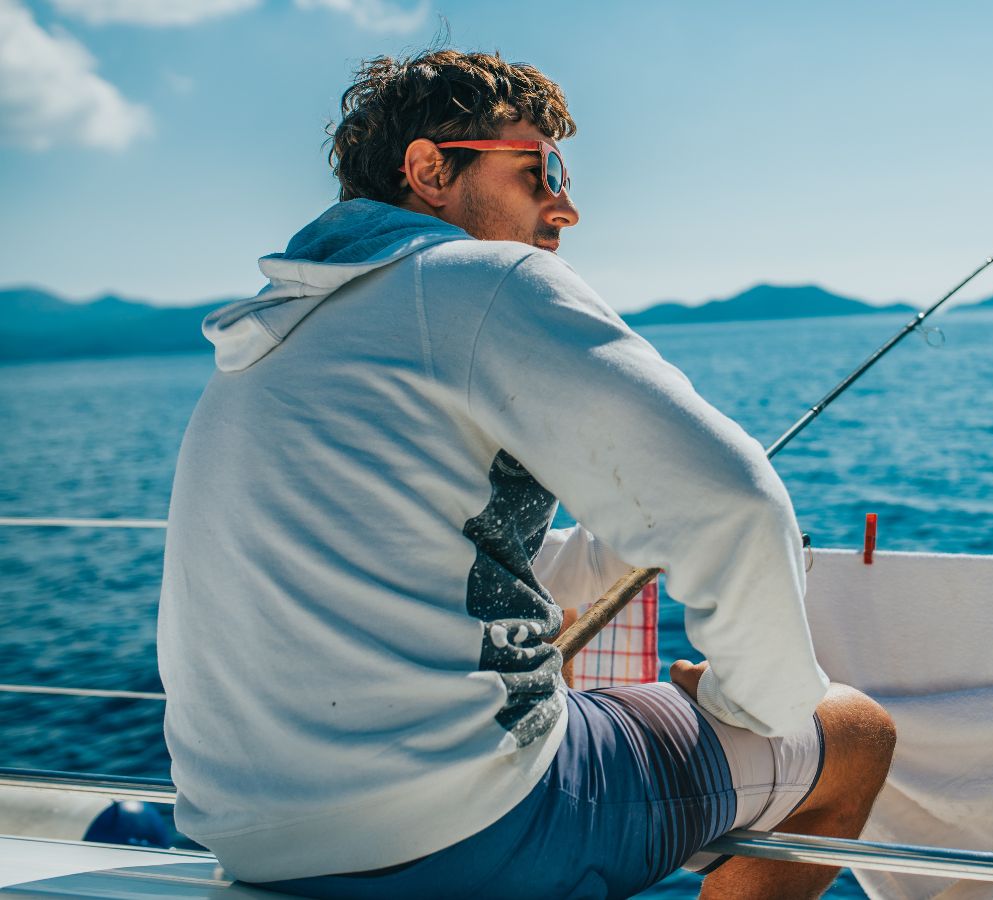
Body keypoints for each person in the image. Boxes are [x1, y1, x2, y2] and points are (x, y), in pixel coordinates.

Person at [157, 48, 895, 899]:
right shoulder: (476, 278)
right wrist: (750, 706)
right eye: (540, 170)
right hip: (466, 830)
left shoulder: (267, 340)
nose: (566, 206)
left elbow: (410, 553)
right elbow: (736, 500)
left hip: (255, 840)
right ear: (431, 169)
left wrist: (611, 552)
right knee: (853, 731)